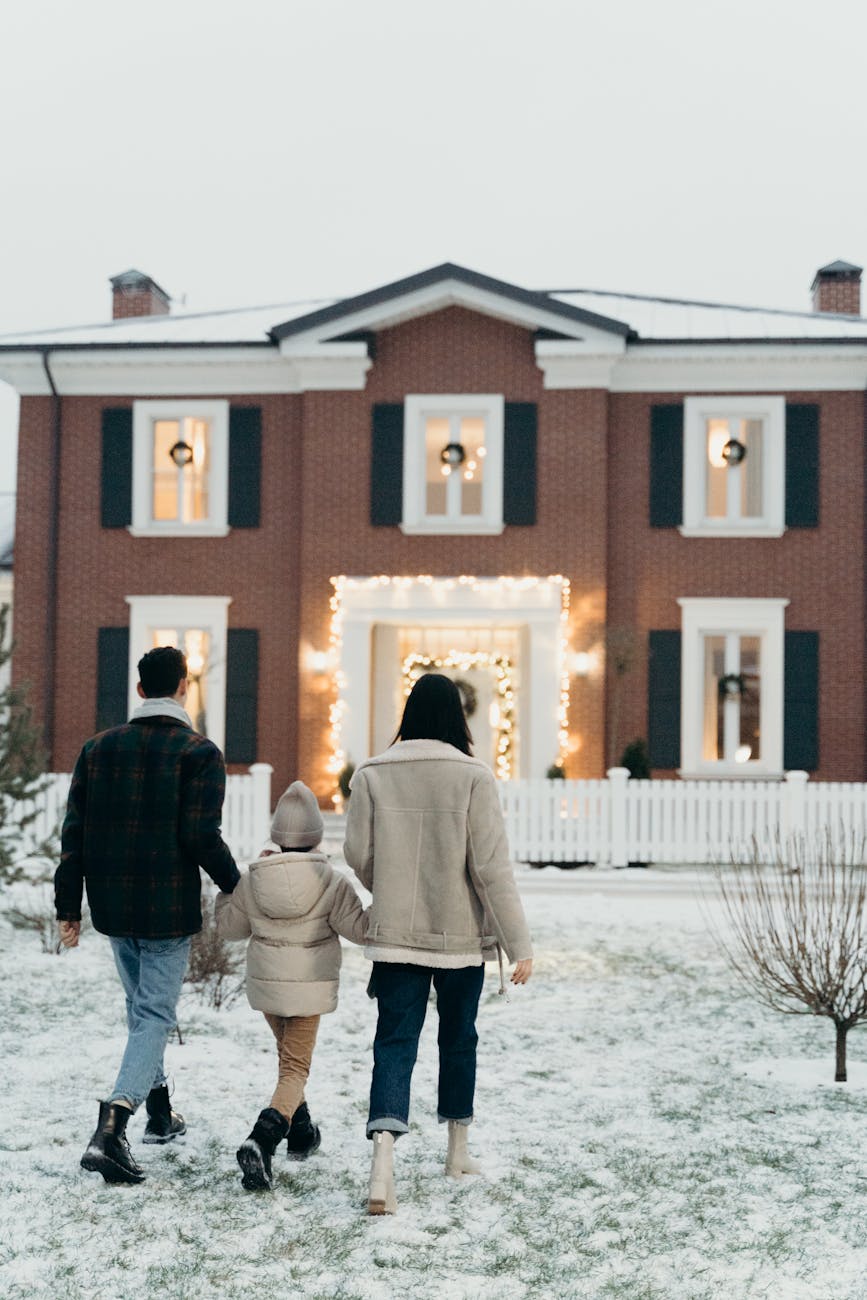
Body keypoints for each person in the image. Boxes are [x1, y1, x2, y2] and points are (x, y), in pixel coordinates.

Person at [343, 672, 533, 1216]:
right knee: (459, 1040)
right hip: (460, 938)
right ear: (457, 716)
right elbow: (490, 867)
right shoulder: (473, 775)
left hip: (396, 935)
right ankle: (457, 1152)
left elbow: (357, 853)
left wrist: (393, 884)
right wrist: (520, 943)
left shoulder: (373, 773)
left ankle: (382, 1167)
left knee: (393, 1042)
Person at [55, 645, 240, 1185]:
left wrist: (70, 906)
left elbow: (74, 836)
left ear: (139, 690)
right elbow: (200, 835)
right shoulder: (199, 752)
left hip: (112, 904)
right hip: (165, 908)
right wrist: (236, 886)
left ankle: (160, 1113)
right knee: (155, 1014)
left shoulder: (97, 749)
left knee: (141, 1009)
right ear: (184, 687)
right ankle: (113, 1127)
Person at [215, 780, 368, 1191]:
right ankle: (262, 1139)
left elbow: (229, 928)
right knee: (295, 1068)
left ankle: (301, 1132)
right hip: (310, 986)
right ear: (316, 835)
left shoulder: (254, 878)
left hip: (268, 987)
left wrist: (225, 891)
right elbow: (361, 930)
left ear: (277, 835)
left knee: (287, 1064)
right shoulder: (332, 882)